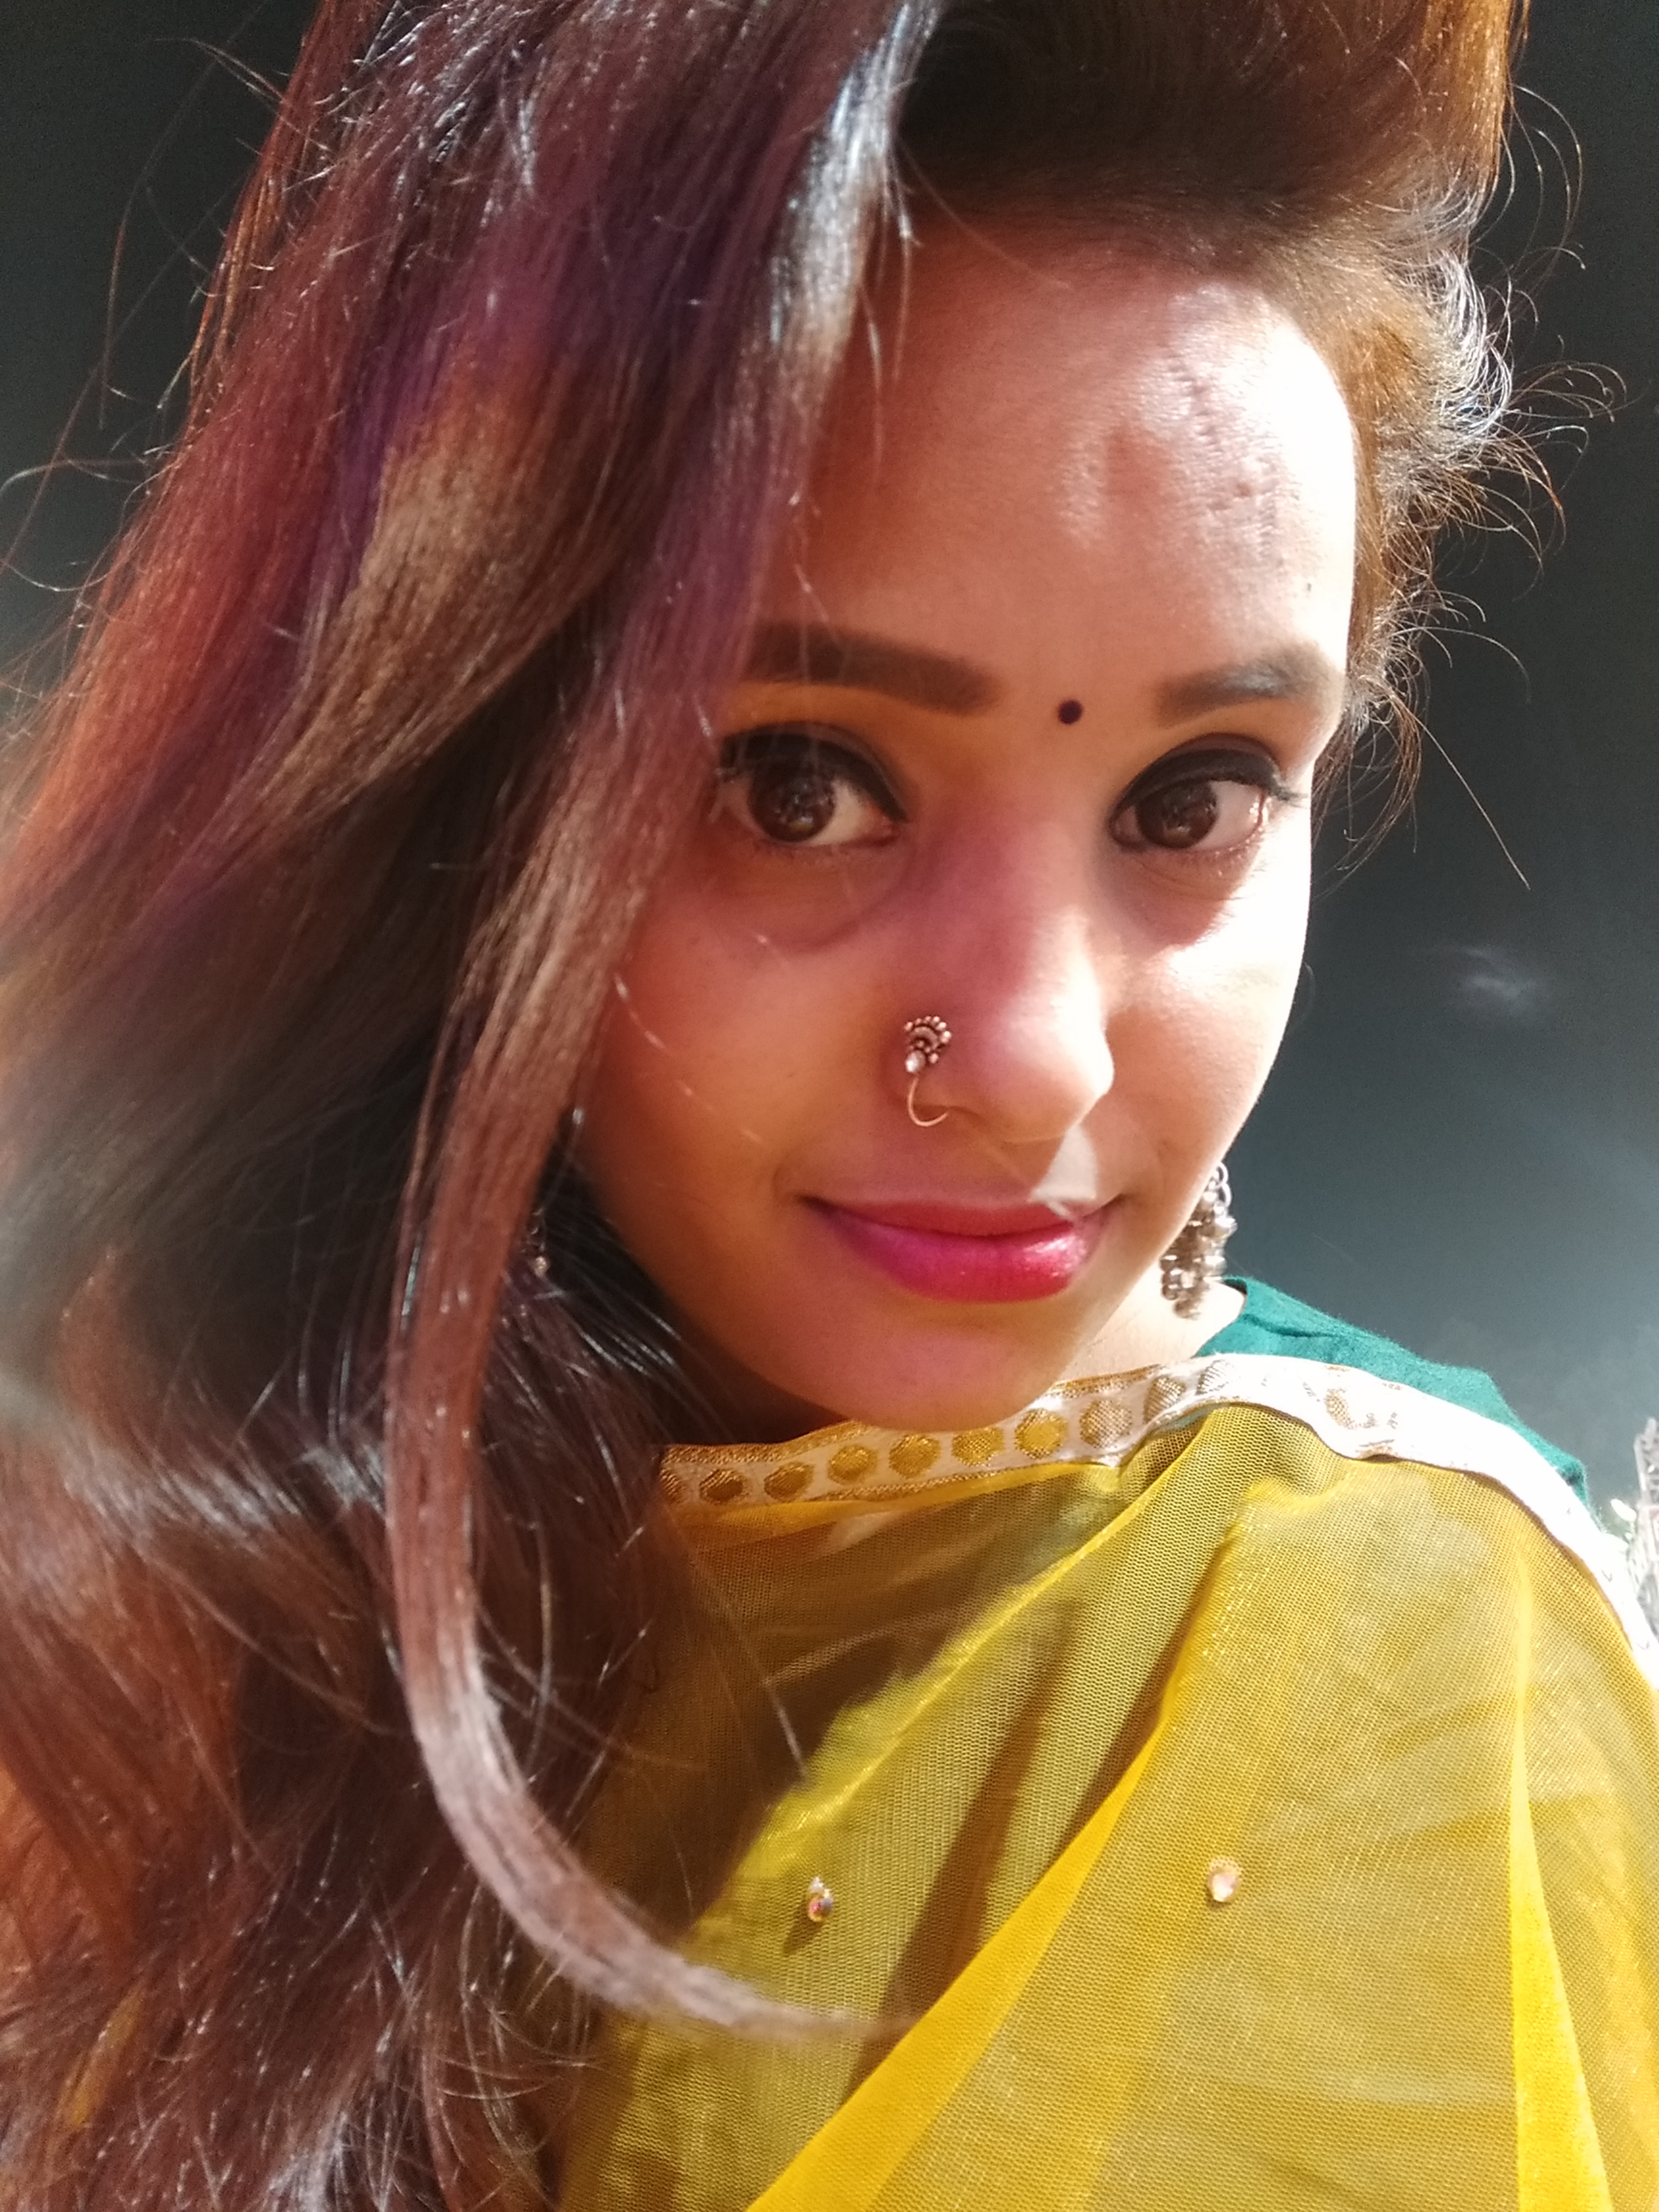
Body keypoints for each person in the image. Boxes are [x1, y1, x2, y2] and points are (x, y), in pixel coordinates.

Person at [0, 0, 1653, 2206]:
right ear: (464, 767)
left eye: (1194, 796)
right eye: (801, 783)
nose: (1045, 1057)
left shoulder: (1387, 1652)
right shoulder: (160, 1519)